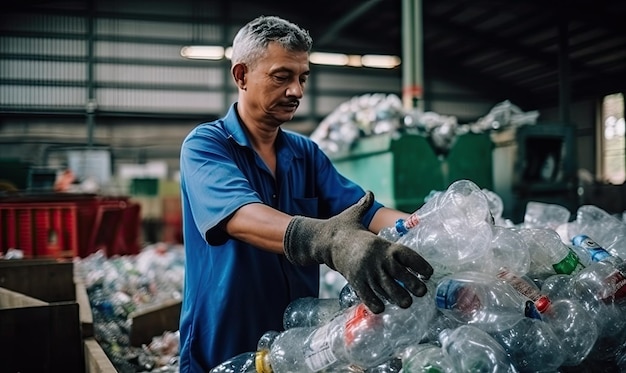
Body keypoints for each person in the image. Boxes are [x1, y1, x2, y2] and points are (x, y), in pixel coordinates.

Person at [178, 15, 433, 371]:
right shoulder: (207, 146)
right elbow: (240, 216)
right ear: (241, 76)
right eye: (282, 76)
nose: (297, 90)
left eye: (302, 78)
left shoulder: (305, 153)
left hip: (295, 345)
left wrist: (432, 227)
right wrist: (328, 239)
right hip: (223, 343)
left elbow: (367, 211)